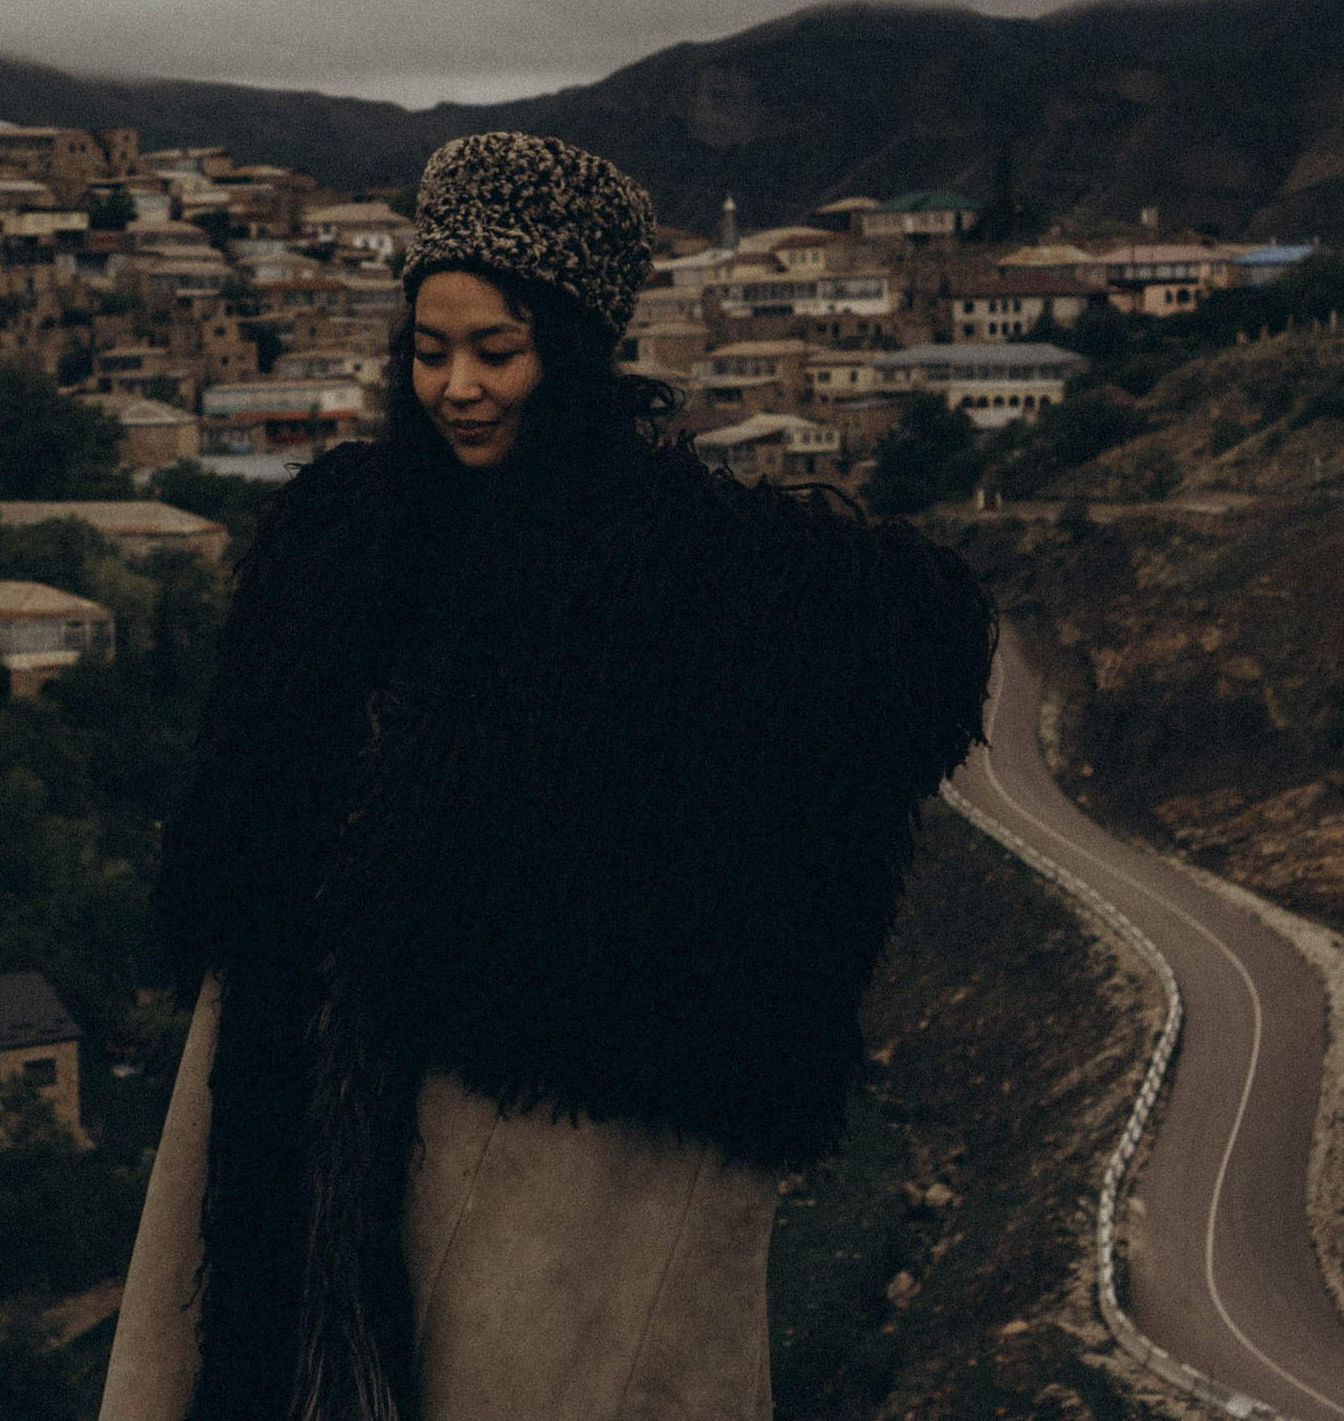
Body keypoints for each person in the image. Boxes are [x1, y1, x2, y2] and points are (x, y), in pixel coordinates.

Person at [100, 133, 997, 1421]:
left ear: (570, 352)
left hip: (519, 1125)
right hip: (284, 1097)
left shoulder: (669, 564)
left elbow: (914, 653)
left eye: (497, 351)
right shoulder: (340, 538)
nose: (457, 387)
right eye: (429, 349)